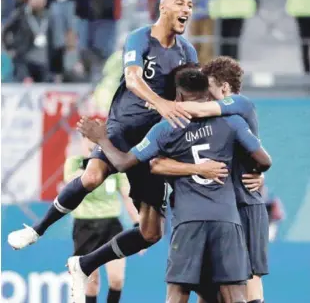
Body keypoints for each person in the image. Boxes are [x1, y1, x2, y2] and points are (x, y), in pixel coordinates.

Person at [8, 0, 225, 266]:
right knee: (91, 177)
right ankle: (37, 230)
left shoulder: (187, 50)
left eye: (191, 5)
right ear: (163, 8)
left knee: (151, 232)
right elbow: (133, 79)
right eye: (180, 3)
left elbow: (187, 91)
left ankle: (84, 264)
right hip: (121, 129)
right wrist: (161, 103)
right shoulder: (140, 38)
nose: (187, 9)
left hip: (153, 141)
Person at [73, 66, 272, 303]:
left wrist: (102, 139)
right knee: (236, 291)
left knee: (179, 293)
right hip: (228, 219)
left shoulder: (166, 128)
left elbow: (126, 162)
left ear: (177, 96)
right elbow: (263, 159)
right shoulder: (231, 122)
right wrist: (256, 173)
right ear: (205, 94)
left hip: (190, 220)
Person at [154, 57, 269, 303]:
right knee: (209, 284)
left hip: (245, 203)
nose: (206, 95)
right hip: (223, 208)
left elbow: (199, 108)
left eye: (210, 89)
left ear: (225, 89)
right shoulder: (220, 123)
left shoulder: (240, 104)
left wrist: (159, 104)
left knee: (249, 280)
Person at [64, 135, 140, 303]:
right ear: (83, 141)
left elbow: (128, 196)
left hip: (111, 225)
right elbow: (71, 181)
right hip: (85, 225)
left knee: (117, 279)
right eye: (90, 140)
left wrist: (138, 225)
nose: (94, 144)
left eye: (98, 140)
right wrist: (91, 163)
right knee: (91, 282)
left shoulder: (114, 164)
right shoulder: (74, 163)